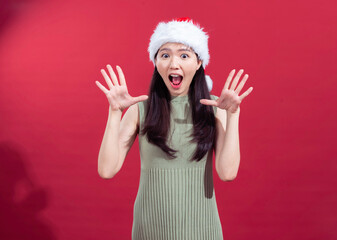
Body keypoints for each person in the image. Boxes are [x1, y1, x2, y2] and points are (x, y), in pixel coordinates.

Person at [95, 17, 253, 240]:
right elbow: (106, 169)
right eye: (165, 55)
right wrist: (114, 113)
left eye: (184, 55)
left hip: (202, 230)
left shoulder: (216, 108)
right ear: (156, 62)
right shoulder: (140, 109)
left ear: (199, 63)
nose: (174, 64)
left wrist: (233, 114)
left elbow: (227, 173)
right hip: (150, 230)